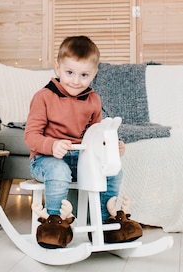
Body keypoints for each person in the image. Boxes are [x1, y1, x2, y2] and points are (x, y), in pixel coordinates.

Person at [24, 35, 135, 248]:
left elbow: (97, 134)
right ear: (57, 68)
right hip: (46, 161)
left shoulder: (93, 100)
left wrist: (110, 146)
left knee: (113, 170)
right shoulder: (44, 97)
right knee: (58, 170)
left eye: (84, 75)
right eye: (69, 73)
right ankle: (54, 222)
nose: (76, 81)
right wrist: (52, 145)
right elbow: (30, 136)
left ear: (94, 73)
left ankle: (106, 221)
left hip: (81, 160)